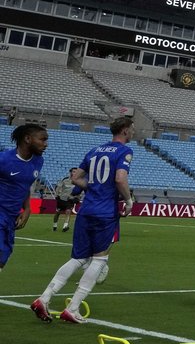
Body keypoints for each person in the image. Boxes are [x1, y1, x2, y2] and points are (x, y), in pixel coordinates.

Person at [33, 117, 136, 324]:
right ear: (125, 130)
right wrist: (128, 199)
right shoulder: (124, 151)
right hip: (104, 212)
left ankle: (44, 298)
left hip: (87, 209)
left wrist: (94, 188)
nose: (133, 132)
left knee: (78, 258)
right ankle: (73, 307)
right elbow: (119, 178)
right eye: (132, 129)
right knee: (99, 259)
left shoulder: (95, 150)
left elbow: (76, 178)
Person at [1, 124, 47, 279]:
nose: (45, 144)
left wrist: (27, 209)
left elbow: (25, 185)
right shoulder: (4, 160)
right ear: (27, 139)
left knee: (3, 256)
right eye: (42, 139)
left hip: (12, 215)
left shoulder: (38, 161)